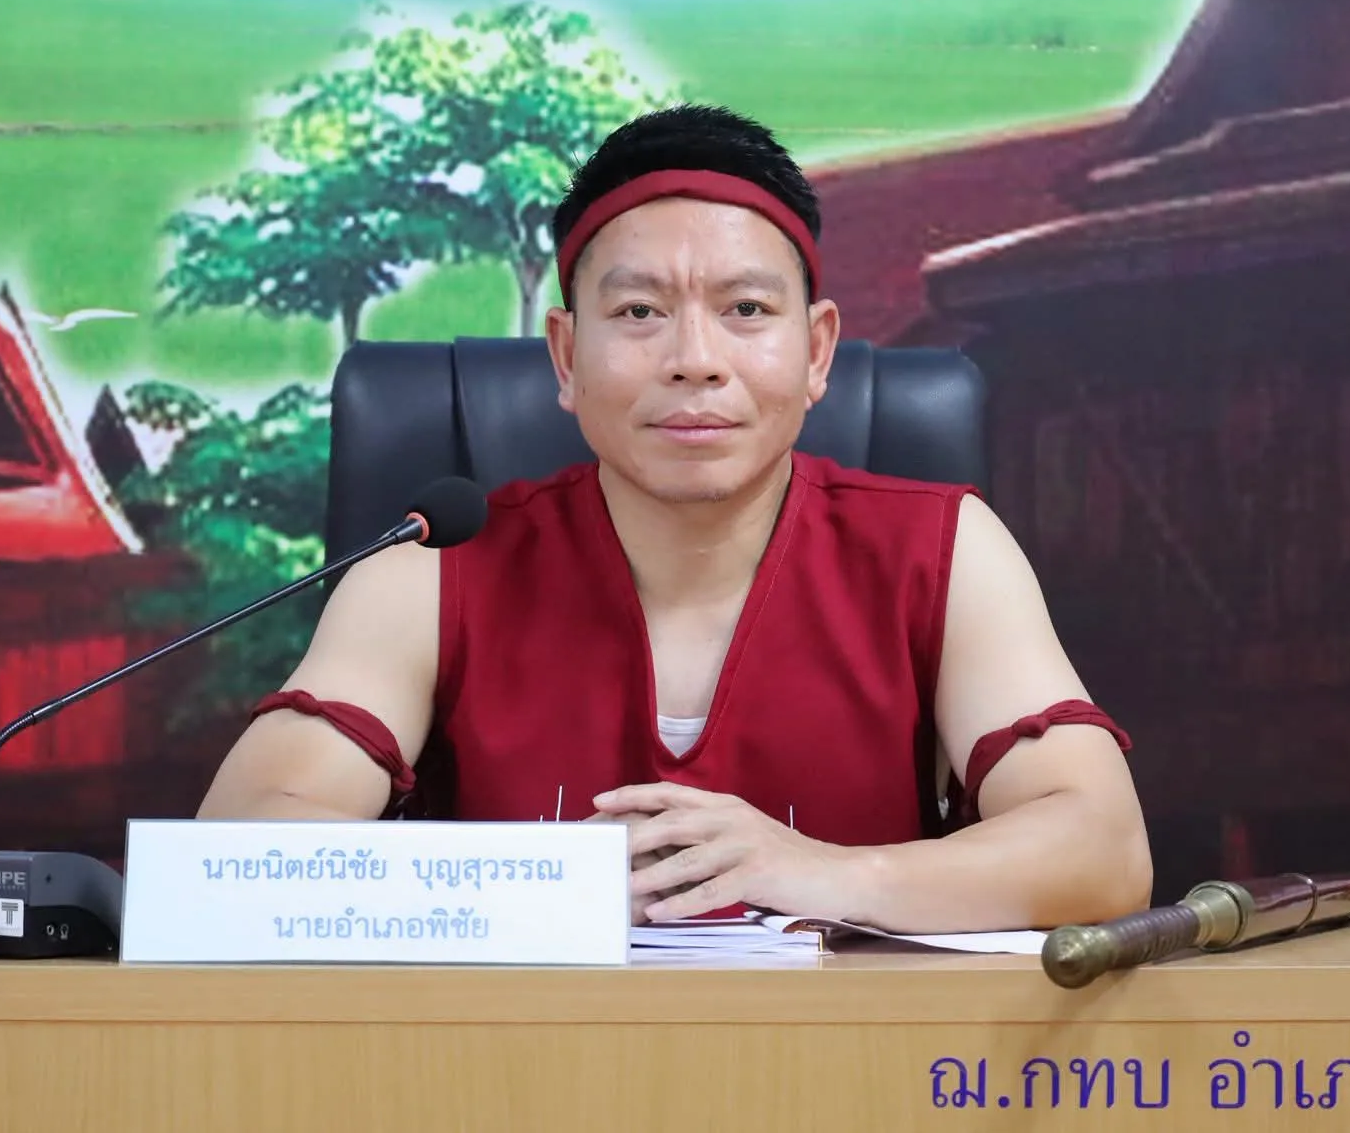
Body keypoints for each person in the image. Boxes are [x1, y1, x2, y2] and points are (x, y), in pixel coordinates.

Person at [197, 104, 1151, 933]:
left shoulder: (939, 551)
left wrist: (822, 873)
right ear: (565, 357)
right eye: (640, 314)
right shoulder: (433, 568)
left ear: (817, 351)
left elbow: (1102, 847)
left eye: (746, 309)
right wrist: (550, 883)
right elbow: (238, 847)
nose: (695, 359)